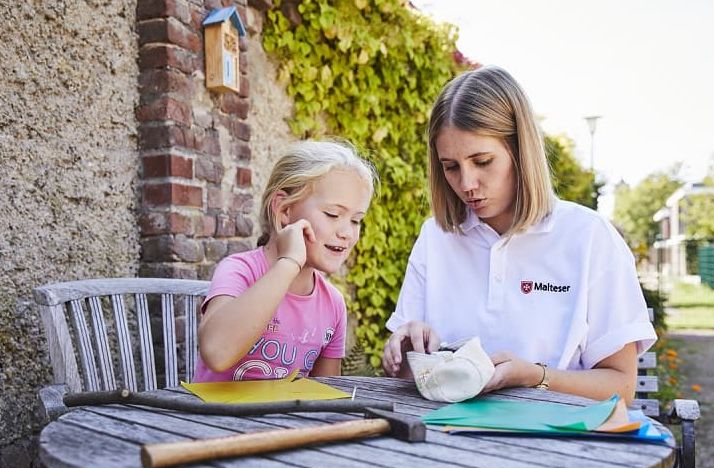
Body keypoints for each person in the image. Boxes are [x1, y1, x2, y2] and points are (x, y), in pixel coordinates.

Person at [382, 66, 656, 405]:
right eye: (450, 167)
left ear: (520, 152)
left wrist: (536, 377)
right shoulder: (435, 236)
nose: (466, 184)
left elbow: (622, 388)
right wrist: (405, 354)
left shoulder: (589, 237)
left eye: (482, 161)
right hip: (446, 442)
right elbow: (410, 380)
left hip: (559, 444)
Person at [195, 140, 378, 382]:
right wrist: (289, 262)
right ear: (284, 211)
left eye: (356, 220)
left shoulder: (333, 304)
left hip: (287, 421)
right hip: (214, 420)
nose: (347, 232)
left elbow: (324, 396)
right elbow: (216, 353)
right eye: (332, 214)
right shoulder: (239, 271)